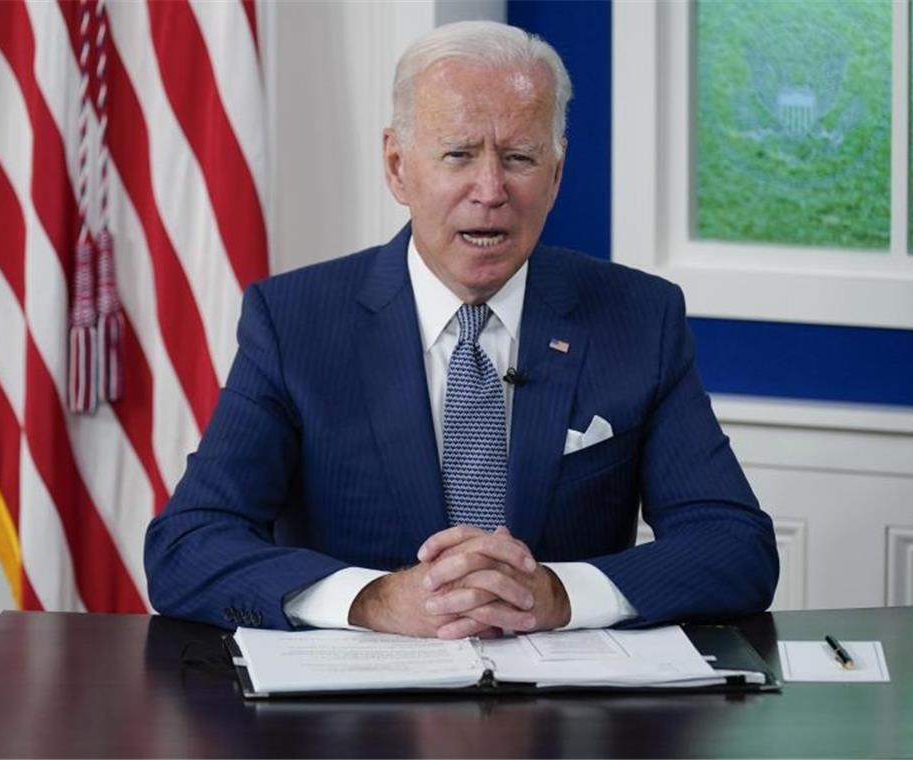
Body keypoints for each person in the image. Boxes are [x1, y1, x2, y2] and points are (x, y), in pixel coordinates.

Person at [144, 20, 778, 638]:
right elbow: (189, 546)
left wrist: (559, 593)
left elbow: (733, 545)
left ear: (555, 176)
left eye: (520, 158)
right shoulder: (296, 322)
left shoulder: (638, 317)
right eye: (459, 155)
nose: (491, 190)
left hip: (567, 721)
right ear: (398, 167)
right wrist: (372, 599)